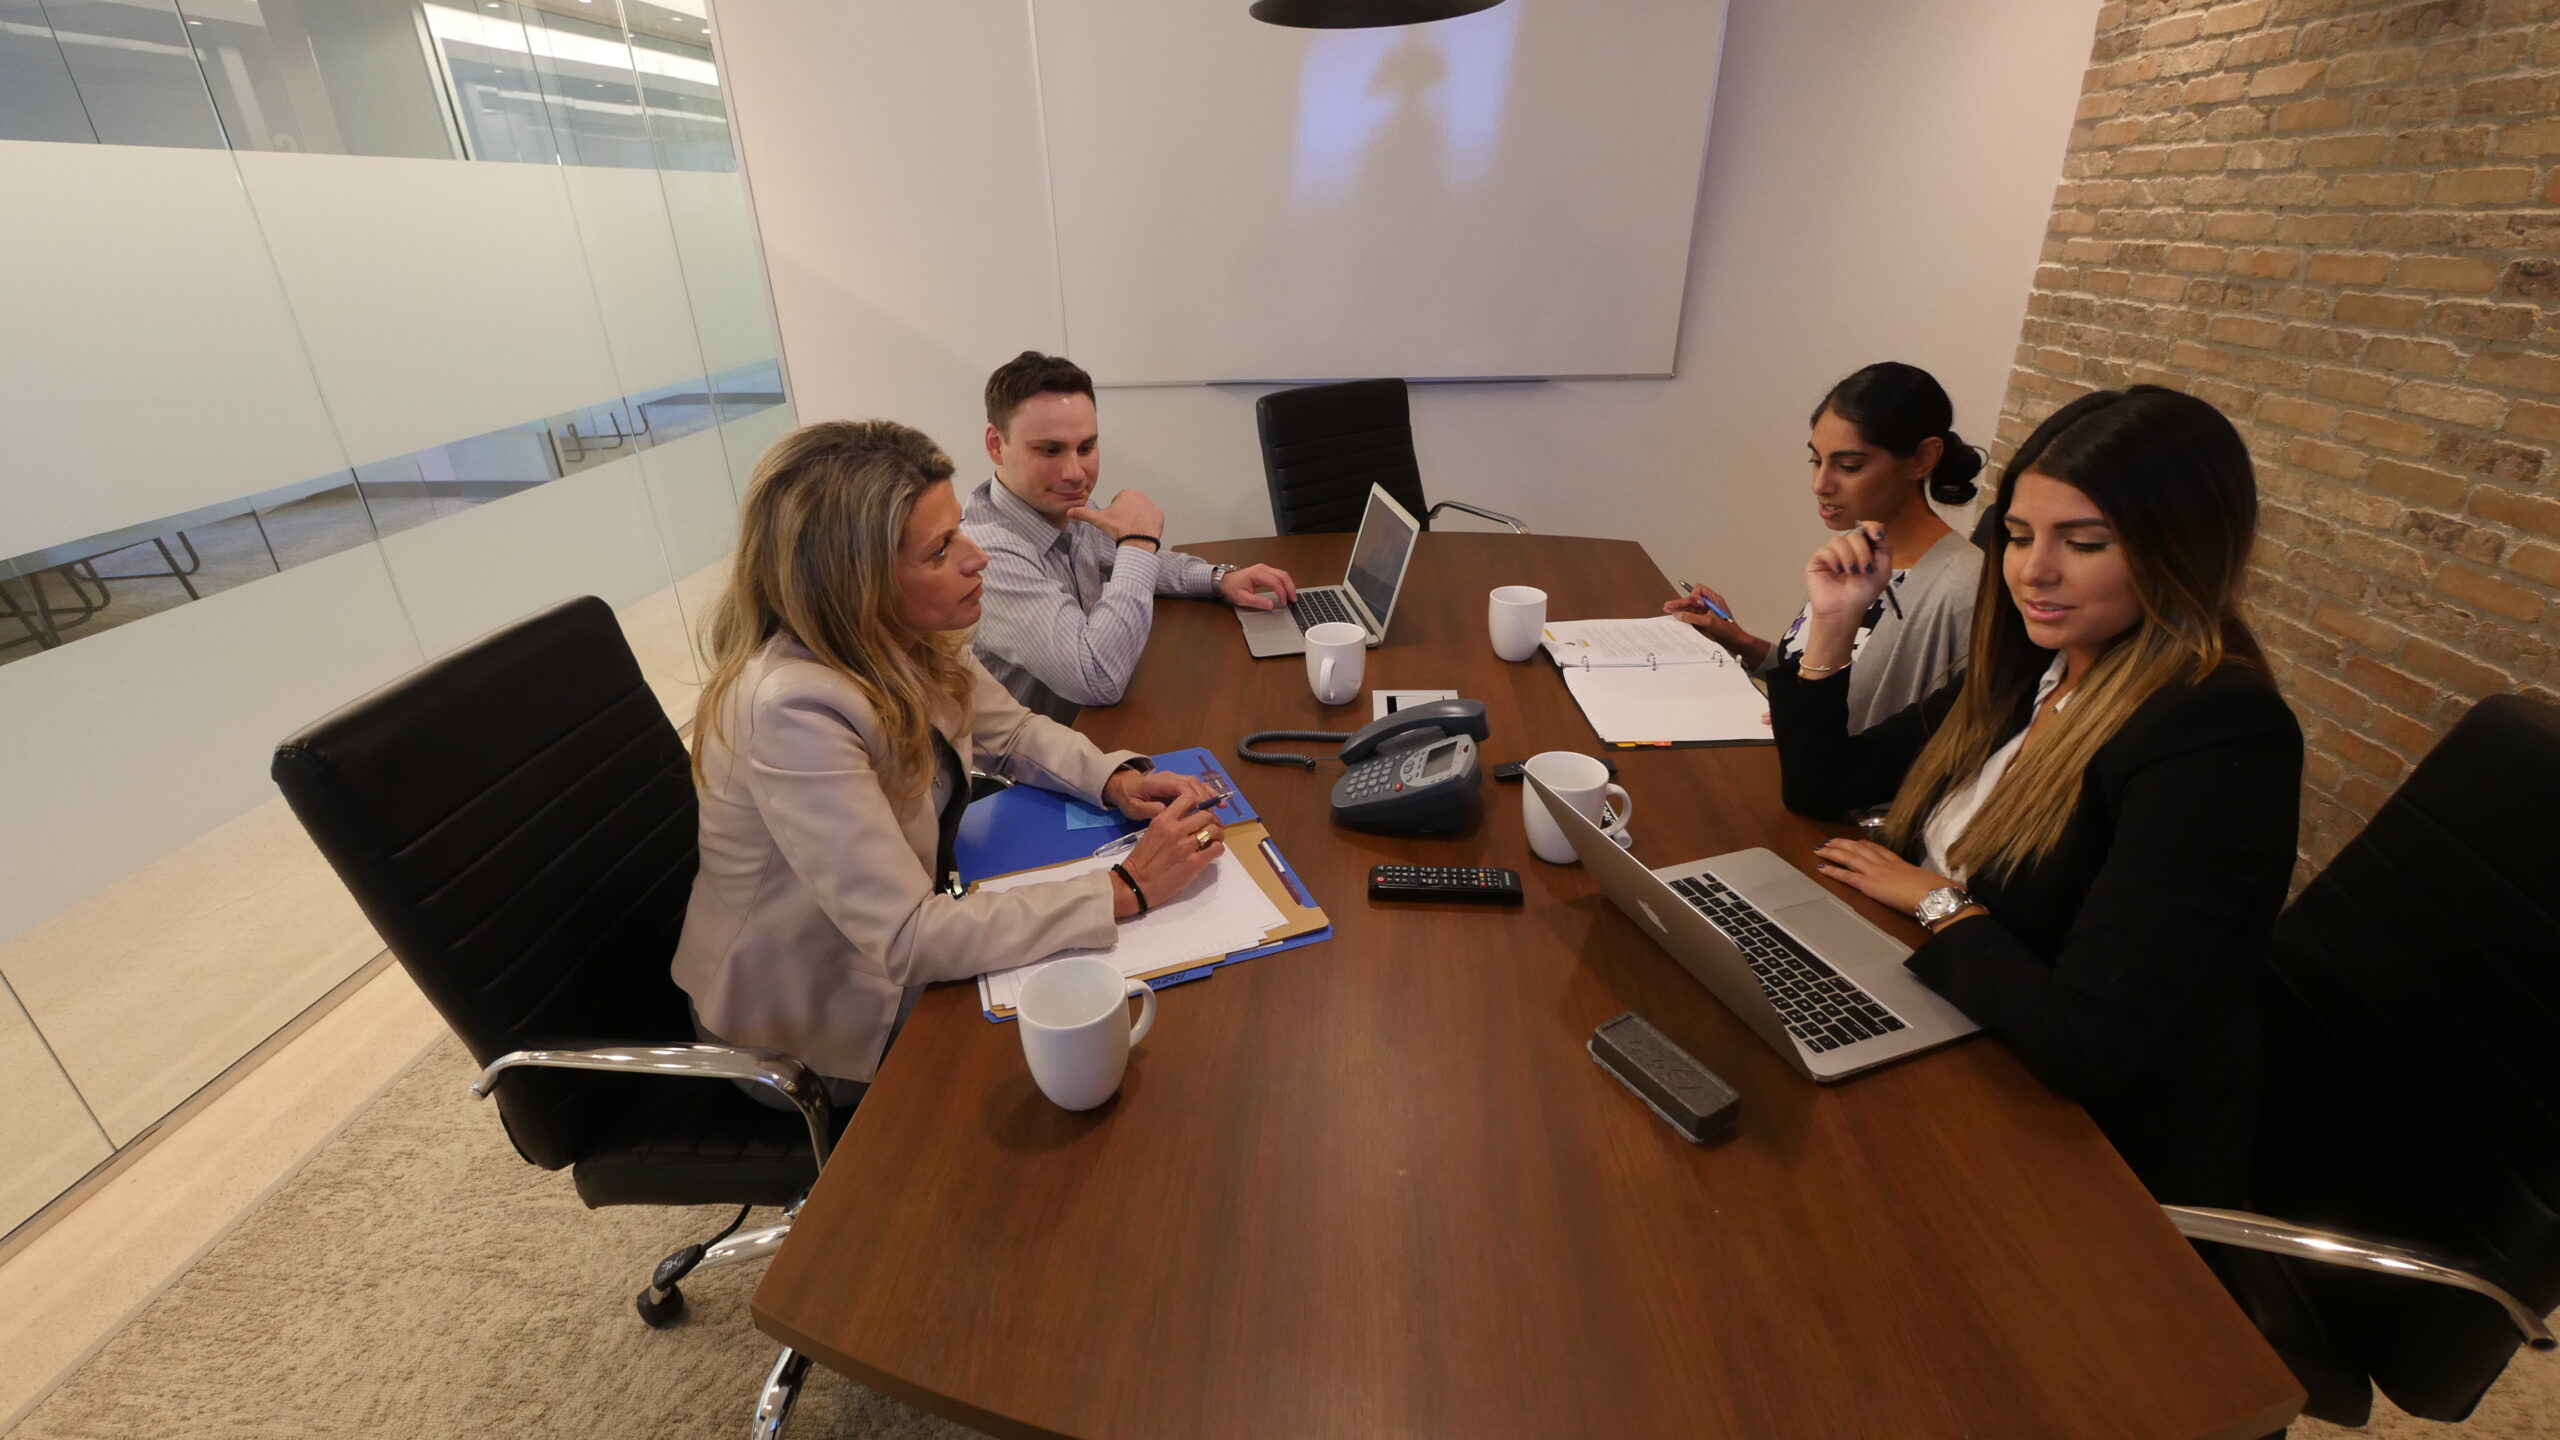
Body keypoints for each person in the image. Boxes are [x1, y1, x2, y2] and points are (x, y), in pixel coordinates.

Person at [1767, 386, 2302, 1207]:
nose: (2033, 571)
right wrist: (1833, 626)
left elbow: (2081, 1042)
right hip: (1955, 1021)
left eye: (2083, 542)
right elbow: (1822, 786)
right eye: (2016, 536)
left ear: (2183, 549)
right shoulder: (2030, 668)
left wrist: (1936, 902)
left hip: (2081, 1149)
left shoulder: (2216, 734)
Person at [671, 419, 1232, 1098]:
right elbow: (909, 938)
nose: (976, 557)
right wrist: (1124, 888)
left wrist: (1114, 779)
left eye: (959, 529)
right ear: (856, 583)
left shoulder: (904, 636)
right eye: (941, 549)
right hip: (815, 1019)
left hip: (896, 936)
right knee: (1051, 1069)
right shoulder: (792, 710)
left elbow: (1013, 732)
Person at [963, 351, 1299, 722]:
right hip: (1026, 755)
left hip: (1088, 730)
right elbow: (1097, 677)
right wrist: (1138, 540)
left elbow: (1123, 560)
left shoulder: (1059, 504)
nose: (1075, 473)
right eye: (1050, 450)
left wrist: (1219, 578)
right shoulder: (986, 556)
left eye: (1086, 448)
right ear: (995, 444)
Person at [1666, 362, 1985, 733]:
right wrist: (1739, 640)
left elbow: (1923, 739)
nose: (1820, 484)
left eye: (1848, 466)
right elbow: (1812, 681)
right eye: (1815, 460)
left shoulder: (1963, 590)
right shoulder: (1854, 549)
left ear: (1923, 458)